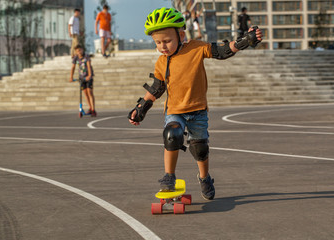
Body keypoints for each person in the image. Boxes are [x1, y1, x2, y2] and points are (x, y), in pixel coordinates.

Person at [128, 7, 262, 200]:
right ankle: (169, 176)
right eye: (158, 42)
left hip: (197, 110)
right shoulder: (161, 62)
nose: (163, 46)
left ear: (181, 35)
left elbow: (221, 51)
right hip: (174, 110)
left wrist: (245, 41)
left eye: (167, 41)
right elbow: (157, 88)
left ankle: (204, 177)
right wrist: (140, 109)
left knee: (200, 149)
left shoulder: (196, 48)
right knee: (172, 135)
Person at [69, 45, 97, 117]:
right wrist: (71, 77)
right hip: (81, 78)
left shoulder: (86, 56)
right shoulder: (76, 58)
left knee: (89, 92)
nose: (79, 52)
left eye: (80, 50)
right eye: (77, 51)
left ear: (82, 50)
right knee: (85, 93)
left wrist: (90, 75)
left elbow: (88, 66)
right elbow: (73, 67)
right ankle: (90, 107)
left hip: (88, 77)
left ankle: (93, 109)